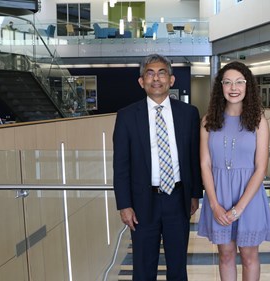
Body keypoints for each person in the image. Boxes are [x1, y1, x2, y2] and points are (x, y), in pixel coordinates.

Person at [113, 54, 203, 281]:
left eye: (161, 72)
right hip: (143, 203)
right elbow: (121, 165)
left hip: (178, 198)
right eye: (150, 73)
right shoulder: (126, 116)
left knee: (177, 267)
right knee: (143, 269)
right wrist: (124, 205)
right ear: (141, 82)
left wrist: (194, 194)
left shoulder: (189, 113)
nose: (156, 78)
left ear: (171, 80)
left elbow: (194, 157)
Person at [197, 61, 270, 280]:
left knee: (249, 256)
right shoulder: (208, 121)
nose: (234, 88)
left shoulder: (259, 121)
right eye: (228, 82)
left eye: (239, 82)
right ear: (220, 87)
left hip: (248, 198)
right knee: (226, 254)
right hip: (218, 196)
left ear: (248, 86)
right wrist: (214, 205)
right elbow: (205, 164)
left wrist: (239, 208)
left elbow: (261, 168)